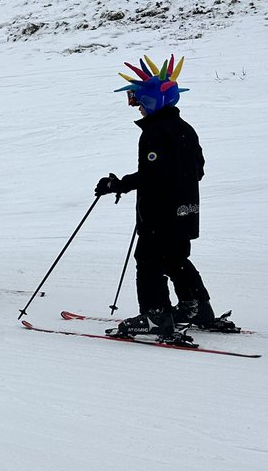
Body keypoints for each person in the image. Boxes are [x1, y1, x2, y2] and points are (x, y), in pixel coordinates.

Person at [95, 55, 226, 340]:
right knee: (176, 257)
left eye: (136, 100)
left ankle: (155, 316)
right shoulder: (186, 129)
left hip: (161, 214)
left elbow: (153, 175)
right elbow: (198, 170)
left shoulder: (154, 133)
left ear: (152, 100)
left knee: (149, 259)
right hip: (186, 211)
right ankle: (197, 307)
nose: (136, 106)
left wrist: (117, 185)